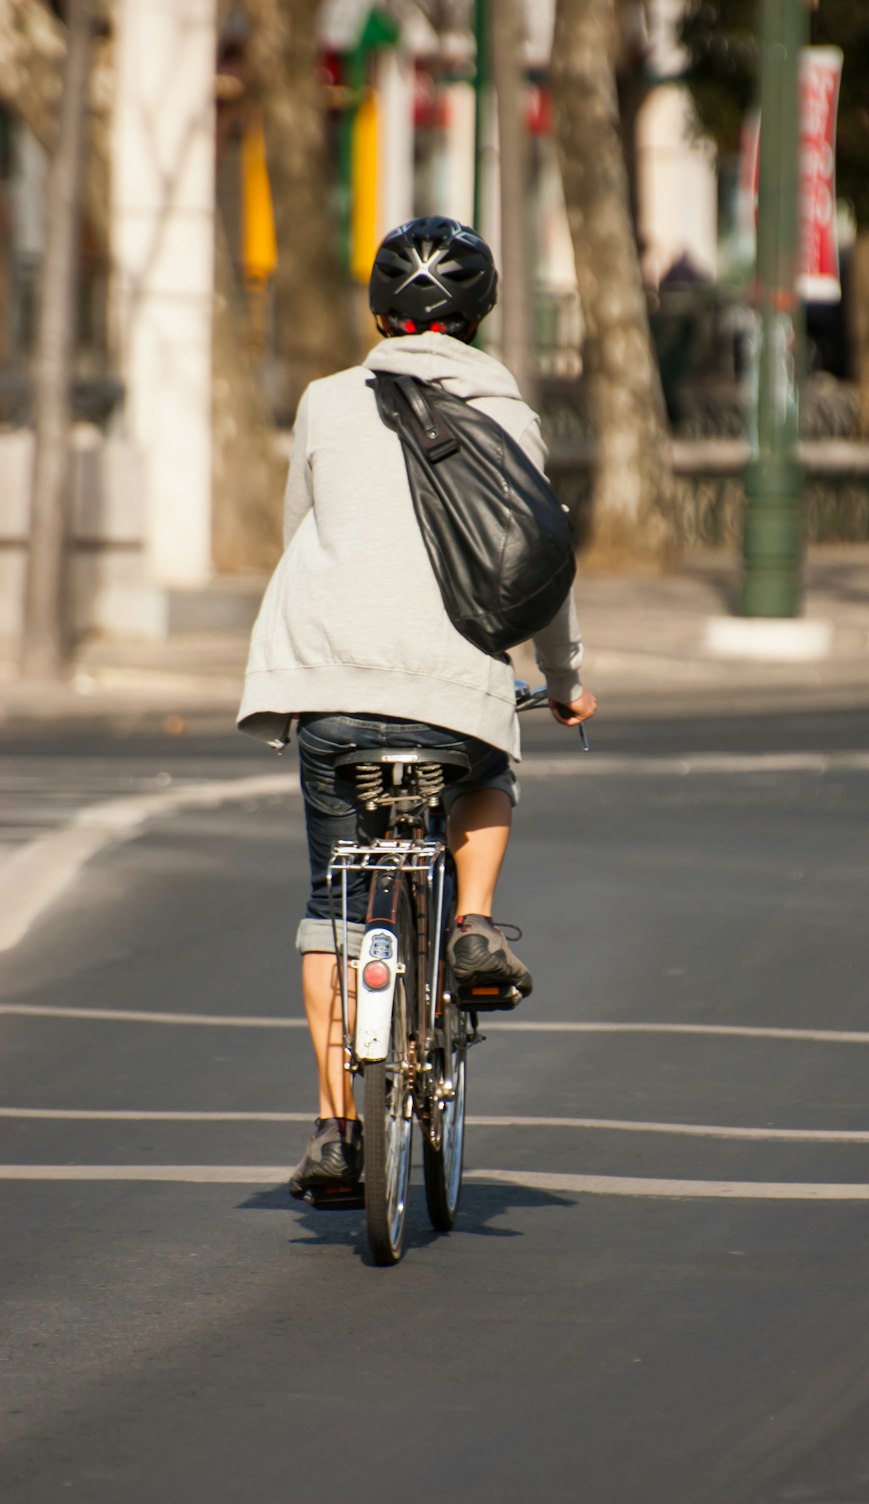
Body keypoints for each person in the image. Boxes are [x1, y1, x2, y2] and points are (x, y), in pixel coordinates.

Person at [237, 216, 596, 1197]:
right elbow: (540, 567)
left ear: (380, 312)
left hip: (329, 681)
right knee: (489, 771)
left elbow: (300, 535)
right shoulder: (513, 417)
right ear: (476, 318)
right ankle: (473, 921)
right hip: (451, 696)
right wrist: (562, 685)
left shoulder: (322, 401)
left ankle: (334, 1130)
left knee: (331, 907)